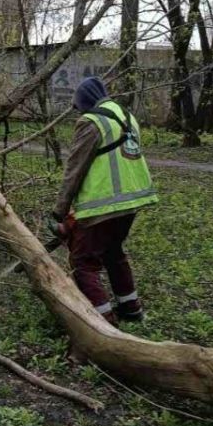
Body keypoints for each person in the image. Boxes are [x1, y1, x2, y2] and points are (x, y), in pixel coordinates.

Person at [51, 76, 158, 324]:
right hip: (131, 201)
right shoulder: (126, 116)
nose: (80, 111)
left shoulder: (92, 122)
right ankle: (131, 309)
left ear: (84, 101)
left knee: (83, 261)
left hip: (103, 204)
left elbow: (74, 168)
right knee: (113, 252)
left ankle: (103, 322)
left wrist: (59, 213)